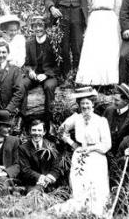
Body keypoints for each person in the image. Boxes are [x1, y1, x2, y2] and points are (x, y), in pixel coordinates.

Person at [53, 87, 111, 217]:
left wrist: (91, 148)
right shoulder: (76, 118)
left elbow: (107, 144)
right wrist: (72, 143)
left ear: (93, 104)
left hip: (97, 156)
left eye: (87, 103)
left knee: (96, 185)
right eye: (82, 104)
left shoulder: (101, 121)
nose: (85, 106)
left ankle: (97, 213)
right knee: (79, 184)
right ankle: (80, 212)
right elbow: (61, 130)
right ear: (79, 105)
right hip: (79, 154)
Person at [43, 0, 90, 77]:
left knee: (77, 46)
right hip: (61, 14)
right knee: (63, 47)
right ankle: (66, 76)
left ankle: (78, 76)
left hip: (77, 15)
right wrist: (52, 8)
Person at [76, 0, 121, 86]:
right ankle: (91, 81)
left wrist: (116, 23)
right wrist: (90, 20)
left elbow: (117, 7)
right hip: (95, 18)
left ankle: (109, 82)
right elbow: (89, 5)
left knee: (108, 49)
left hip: (109, 18)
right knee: (94, 48)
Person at [22, 16, 59, 128]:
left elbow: (58, 65)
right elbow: (27, 63)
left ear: (45, 27)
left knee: (48, 87)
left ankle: (49, 123)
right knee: (22, 85)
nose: (38, 29)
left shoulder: (52, 41)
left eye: (40, 26)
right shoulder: (29, 43)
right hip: (34, 75)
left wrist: (46, 74)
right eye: (35, 26)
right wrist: (30, 71)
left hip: (49, 75)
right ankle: (21, 119)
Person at [18, 119, 60, 193]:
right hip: (33, 183)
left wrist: (49, 178)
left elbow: (56, 167)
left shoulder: (51, 146)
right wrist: (41, 178)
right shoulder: (23, 148)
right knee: (34, 196)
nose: (37, 133)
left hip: (50, 183)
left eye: (39, 130)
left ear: (44, 132)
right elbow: (25, 170)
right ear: (30, 131)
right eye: (34, 130)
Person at [103, 83, 129, 154]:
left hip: (122, 155)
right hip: (105, 152)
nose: (113, 102)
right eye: (113, 99)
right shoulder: (108, 110)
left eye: (116, 100)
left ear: (126, 102)